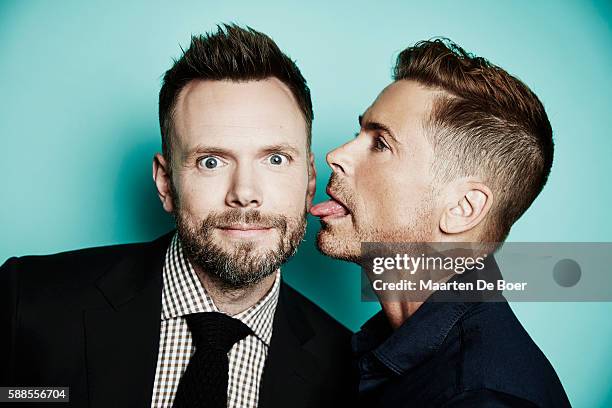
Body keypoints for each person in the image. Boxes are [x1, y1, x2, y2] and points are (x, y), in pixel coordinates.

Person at [0, 24, 353, 408]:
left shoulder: (348, 372)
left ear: (308, 181)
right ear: (166, 183)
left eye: (275, 159)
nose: (245, 194)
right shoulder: (28, 303)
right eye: (211, 161)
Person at [311, 39, 571, 407]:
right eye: (359, 135)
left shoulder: (480, 397)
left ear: (462, 208)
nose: (335, 156)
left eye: (381, 143)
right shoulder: (390, 350)